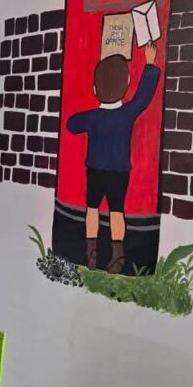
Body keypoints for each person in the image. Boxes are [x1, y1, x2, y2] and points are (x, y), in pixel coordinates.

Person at [67, 41, 159, 274]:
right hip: (119, 172)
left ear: (95, 89)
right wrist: (149, 65)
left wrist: (86, 118)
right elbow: (143, 97)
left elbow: (71, 124)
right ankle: (117, 256)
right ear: (126, 84)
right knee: (117, 211)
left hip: (95, 170)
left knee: (92, 209)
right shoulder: (127, 113)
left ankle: (91, 252)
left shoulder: (93, 117)